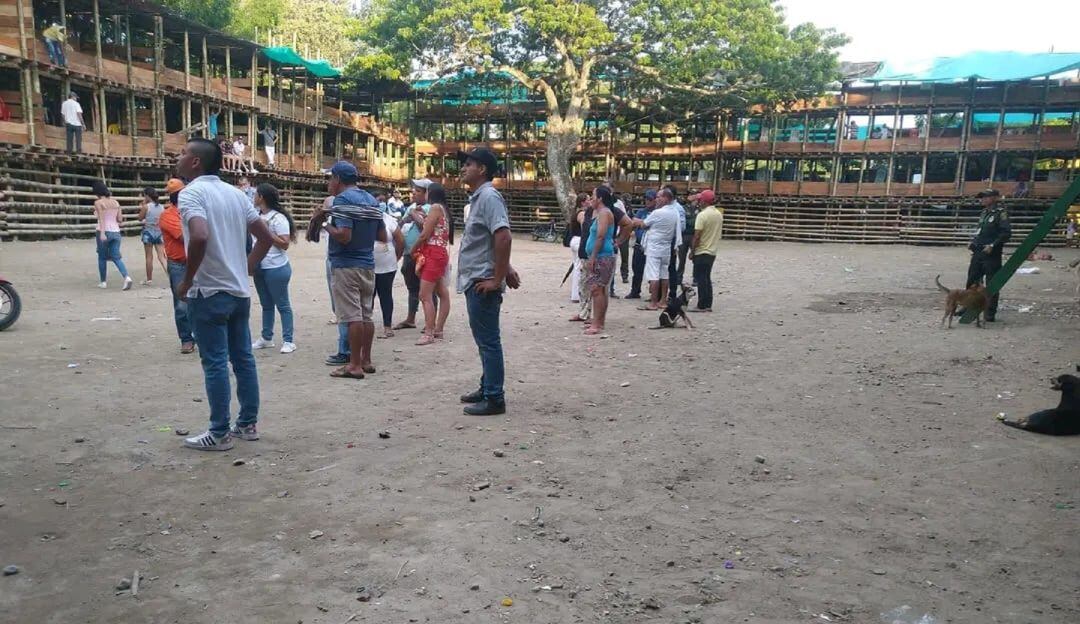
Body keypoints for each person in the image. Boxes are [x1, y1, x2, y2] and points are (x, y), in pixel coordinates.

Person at [175, 138, 275, 451]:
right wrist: (245, 267)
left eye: (183, 153)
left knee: (215, 362)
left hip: (208, 290)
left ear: (195, 162)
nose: (177, 158)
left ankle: (218, 432)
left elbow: (200, 235)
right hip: (237, 291)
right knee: (243, 359)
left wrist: (188, 279)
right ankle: (247, 423)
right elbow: (265, 238)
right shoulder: (236, 194)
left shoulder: (191, 193)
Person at [456, 147, 520, 416]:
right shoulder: (480, 197)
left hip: (482, 280)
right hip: (478, 277)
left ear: (482, 169)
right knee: (485, 340)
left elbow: (503, 236)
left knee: (488, 341)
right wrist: (505, 269)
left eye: (469, 164)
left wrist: (496, 279)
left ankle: (494, 397)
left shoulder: (489, 196)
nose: (463, 168)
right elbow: (490, 240)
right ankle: (487, 387)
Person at [313, 161, 387, 380]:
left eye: (330, 178)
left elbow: (344, 236)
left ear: (337, 179)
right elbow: (382, 236)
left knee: (353, 316)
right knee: (366, 315)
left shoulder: (342, 200)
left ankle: (354, 364)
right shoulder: (371, 200)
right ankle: (366, 360)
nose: (328, 183)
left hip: (346, 265)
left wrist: (324, 221)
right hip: (367, 264)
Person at [250, 183, 298, 354]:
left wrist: (266, 233)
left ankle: (288, 340)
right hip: (260, 266)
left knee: (283, 304)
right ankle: (266, 337)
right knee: (266, 304)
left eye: (256, 194)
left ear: (261, 197)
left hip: (276, 267)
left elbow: (285, 244)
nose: (253, 197)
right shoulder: (256, 215)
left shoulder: (278, 218)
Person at [413, 182, 454, 345]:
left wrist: (413, 249)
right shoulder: (443, 209)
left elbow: (424, 234)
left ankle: (429, 332)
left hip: (432, 252)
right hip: (440, 252)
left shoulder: (435, 208)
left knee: (424, 295)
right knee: (441, 292)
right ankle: (438, 329)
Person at [158, 178, 195, 354]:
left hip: (196, 261)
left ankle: (199, 336)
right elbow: (184, 237)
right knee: (182, 304)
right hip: (179, 264)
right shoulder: (168, 215)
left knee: (201, 299)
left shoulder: (189, 212)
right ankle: (186, 339)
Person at [964, 189, 1011, 322]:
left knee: (992, 282)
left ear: (995, 198)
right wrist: (973, 242)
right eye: (981, 197)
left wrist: (993, 245)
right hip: (979, 251)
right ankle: (969, 306)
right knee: (972, 280)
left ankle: (989, 312)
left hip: (992, 253)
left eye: (986, 197)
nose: (982, 199)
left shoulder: (1001, 214)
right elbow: (980, 230)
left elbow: (1006, 233)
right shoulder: (984, 213)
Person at [394, 178, 434, 331]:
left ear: (427, 193)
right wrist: (406, 217)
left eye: (418, 191)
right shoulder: (412, 206)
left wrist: (414, 215)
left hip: (424, 253)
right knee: (412, 286)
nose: (413, 193)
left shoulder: (432, 208)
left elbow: (426, 229)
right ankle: (411, 318)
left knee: (428, 288)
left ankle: (431, 322)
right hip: (409, 253)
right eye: (414, 190)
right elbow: (401, 224)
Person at [634, 188, 680, 310]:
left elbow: (644, 224)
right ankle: (663, 300)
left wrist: (636, 221)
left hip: (654, 247)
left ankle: (653, 302)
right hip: (666, 246)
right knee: (664, 274)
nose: (657, 199)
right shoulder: (674, 212)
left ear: (665, 198)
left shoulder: (657, 213)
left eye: (659, 197)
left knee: (653, 275)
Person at [583, 187, 617, 336]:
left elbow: (601, 236)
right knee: (600, 289)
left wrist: (593, 256)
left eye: (593, 195)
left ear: (600, 198)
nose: (591, 198)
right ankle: (599, 321)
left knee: (597, 289)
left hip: (602, 256)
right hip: (602, 255)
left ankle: (597, 323)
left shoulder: (604, 213)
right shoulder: (603, 213)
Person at [373, 198, 406, 339]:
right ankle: (364, 324)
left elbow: (400, 241)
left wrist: (396, 257)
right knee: (367, 297)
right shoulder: (364, 218)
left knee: (385, 295)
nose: (379, 204)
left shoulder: (389, 220)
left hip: (387, 265)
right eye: (376, 201)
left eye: (381, 201)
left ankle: (387, 326)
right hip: (367, 266)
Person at [93, 181, 132, 290]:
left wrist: (102, 233)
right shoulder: (116, 202)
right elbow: (119, 219)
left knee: (102, 256)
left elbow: (101, 218)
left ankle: (103, 281)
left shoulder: (98, 203)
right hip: (116, 231)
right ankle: (126, 277)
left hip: (104, 230)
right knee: (116, 257)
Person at [687, 189, 722, 312]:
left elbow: (697, 235)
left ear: (704, 201)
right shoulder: (718, 214)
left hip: (702, 250)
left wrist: (692, 251)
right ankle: (708, 303)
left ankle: (701, 305)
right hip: (712, 250)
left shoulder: (702, 215)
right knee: (707, 277)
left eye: (700, 200)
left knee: (700, 278)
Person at [626, 190, 656, 299]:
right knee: (637, 268)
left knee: (652, 270)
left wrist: (642, 222)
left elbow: (649, 224)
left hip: (651, 245)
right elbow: (634, 222)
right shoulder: (641, 211)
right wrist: (642, 223)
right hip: (639, 244)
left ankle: (653, 292)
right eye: (646, 199)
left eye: (650, 199)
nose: (647, 202)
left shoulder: (658, 212)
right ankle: (635, 290)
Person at [137, 187, 166, 286]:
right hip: (159, 232)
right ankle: (170, 275)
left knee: (149, 257)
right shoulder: (161, 207)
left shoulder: (146, 207)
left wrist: (143, 205)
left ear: (147, 195)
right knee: (162, 257)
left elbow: (140, 218)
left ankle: (149, 279)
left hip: (148, 232)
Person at [566, 194, 586, 303]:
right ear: (583, 202)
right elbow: (584, 229)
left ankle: (575, 294)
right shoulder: (582, 214)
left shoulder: (576, 212)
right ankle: (576, 295)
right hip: (579, 240)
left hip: (574, 240)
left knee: (576, 267)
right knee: (579, 267)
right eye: (588, 200)